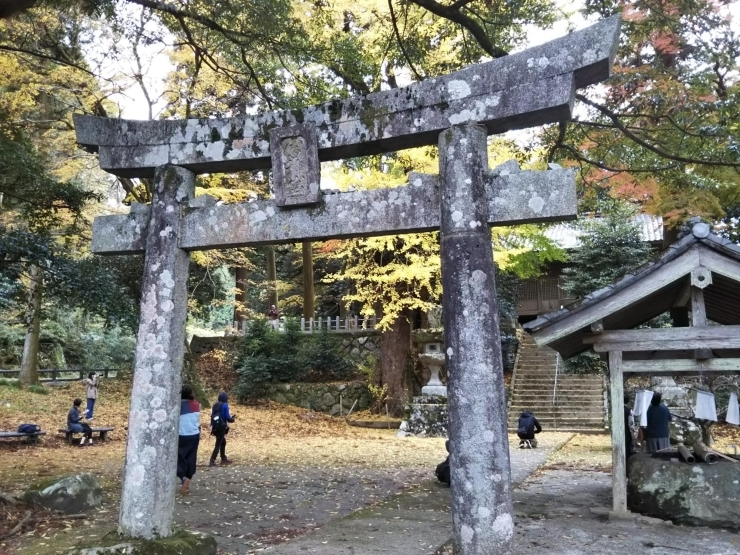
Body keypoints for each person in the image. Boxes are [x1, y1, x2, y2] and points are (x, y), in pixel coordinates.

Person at [178, 385, 201, 495]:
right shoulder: (197, 405)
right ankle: (188, 477)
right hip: (194, 433)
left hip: (182, 434)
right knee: (191, 457)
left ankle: (183, 477)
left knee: (179, 456)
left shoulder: (178, 406)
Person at [210, 392, 236, 467]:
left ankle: (223, 458)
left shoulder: (215, 405)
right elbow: (227, 417)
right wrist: (232, 419)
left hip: (215, 426)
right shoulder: (225, 405)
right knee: (218, 443)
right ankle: (212, 460)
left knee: (223, 442)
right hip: (221, 426)